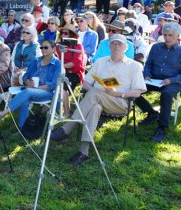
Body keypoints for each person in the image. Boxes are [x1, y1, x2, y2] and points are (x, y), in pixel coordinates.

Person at [51, 34, 147, 165]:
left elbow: (138, 92)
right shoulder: (100, 62)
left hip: (120, 102)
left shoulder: (134, 66)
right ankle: (83, 151)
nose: (116, 46)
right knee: (95, 106)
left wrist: (118, 93)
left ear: (126, 47)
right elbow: (86, 83)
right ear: (109, 46)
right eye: (113, 43)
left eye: (119, 44)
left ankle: (67, 128)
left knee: (94, 95)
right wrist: (92, 92)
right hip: (97, 99)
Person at [0, 40, 61, 130]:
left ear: (53, 49)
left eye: (46, 47)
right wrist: (27, 81)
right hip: (30, 90)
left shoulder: (57, 63)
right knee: (24, 100)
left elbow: (53, 84)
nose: (43, 49)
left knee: (27, 91)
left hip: (47, 92)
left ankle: (4, 112)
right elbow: (26, 75)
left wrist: (36, 88)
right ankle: (22, 130)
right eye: (42, 47)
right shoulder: (36, 60)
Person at [135, 22, 180, 142]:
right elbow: (148, 64)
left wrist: (171, 80)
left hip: (171, 82)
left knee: (166, 94)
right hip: (153, 79)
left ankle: (162, 127)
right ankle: (151, 113)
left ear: (177, 36)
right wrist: (147, 74)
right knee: (134, 88)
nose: (167, 38)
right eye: (165, 35)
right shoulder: (156, 47)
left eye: (170, 35)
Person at [56, 24, 86, 116]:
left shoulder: (78, 46)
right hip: (62, 71)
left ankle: (67, 112)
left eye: (66, 33)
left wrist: (61, 66)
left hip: (74, 73)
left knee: (63, 87)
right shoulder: (59, 46)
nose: (63, 35)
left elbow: (75, 63)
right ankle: (46, 110)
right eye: (61, 33)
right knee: (52, 82)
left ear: (72, 35)